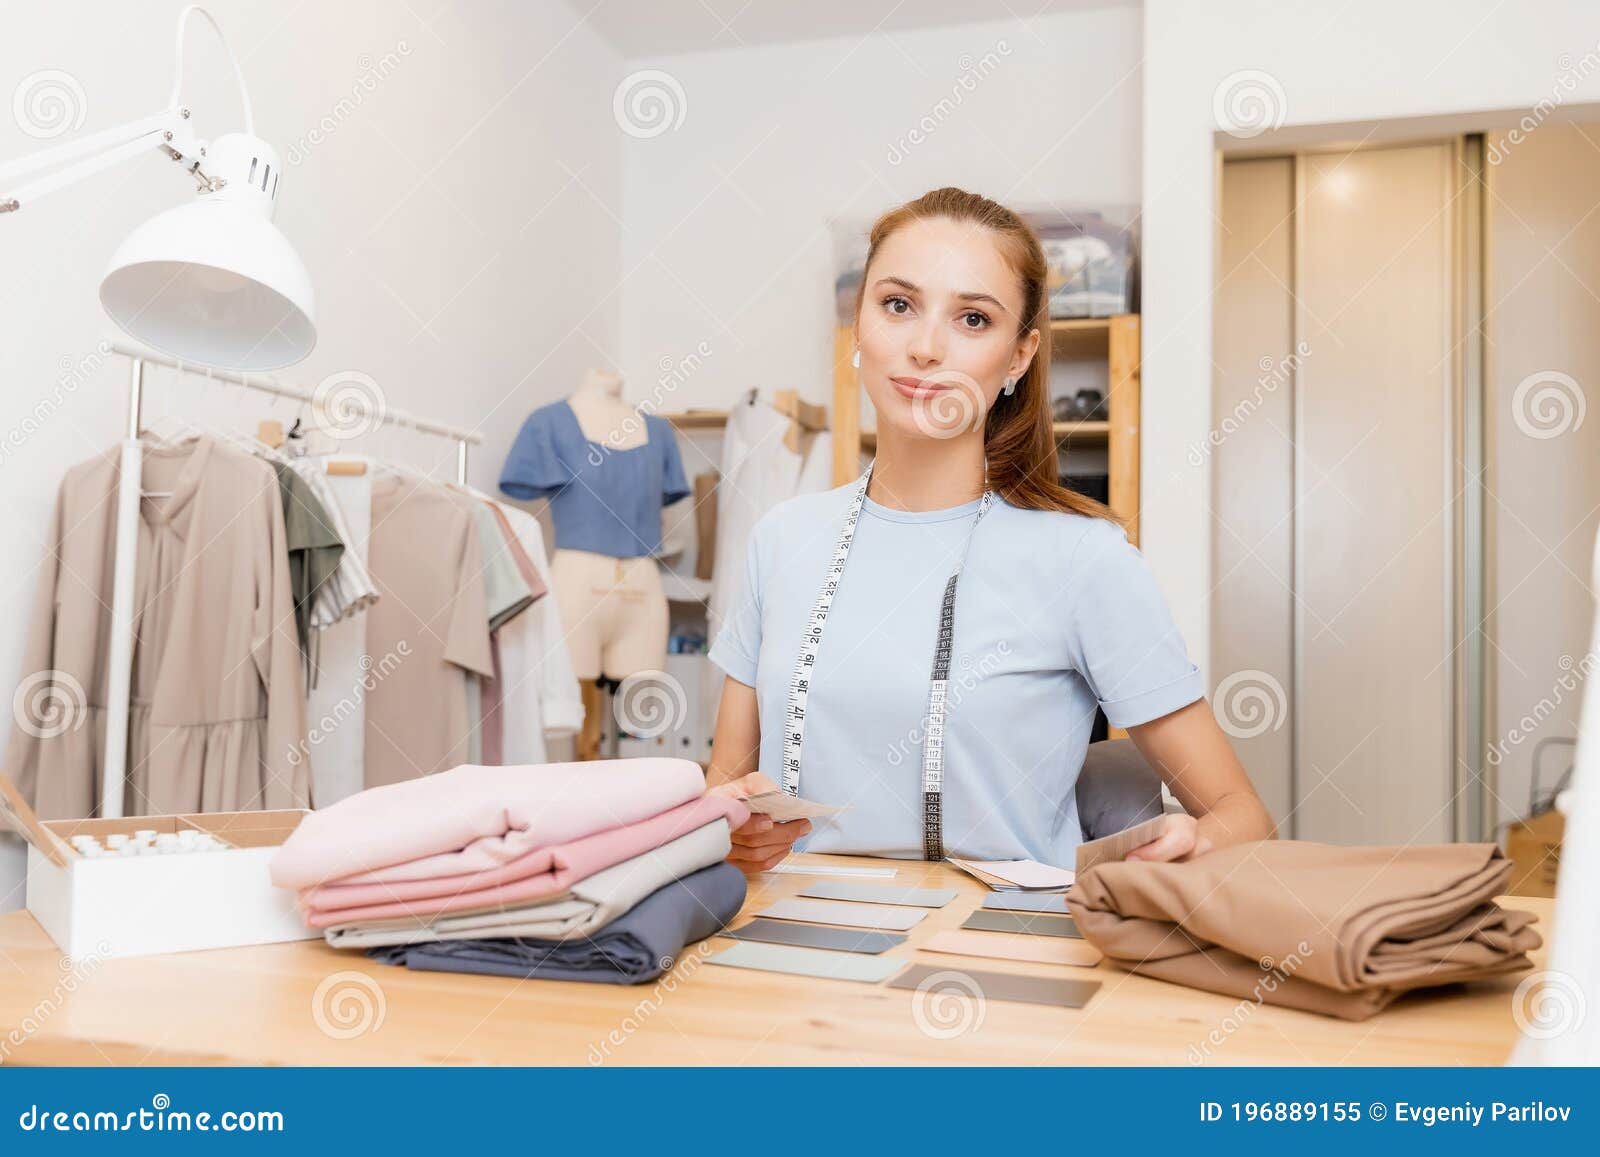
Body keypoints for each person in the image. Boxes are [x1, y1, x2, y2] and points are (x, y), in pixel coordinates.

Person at [705, 186, 1275, 876]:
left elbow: (1243, 816)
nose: (925, 347)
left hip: (1003, 954)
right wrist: (730, 832)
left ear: (1018, 356)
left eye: (973, 318)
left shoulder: (1082, 557)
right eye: (897, 305)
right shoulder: (781, 540)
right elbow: (720, 798)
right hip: (787, 950)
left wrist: (1185, 848)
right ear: (859, 323)